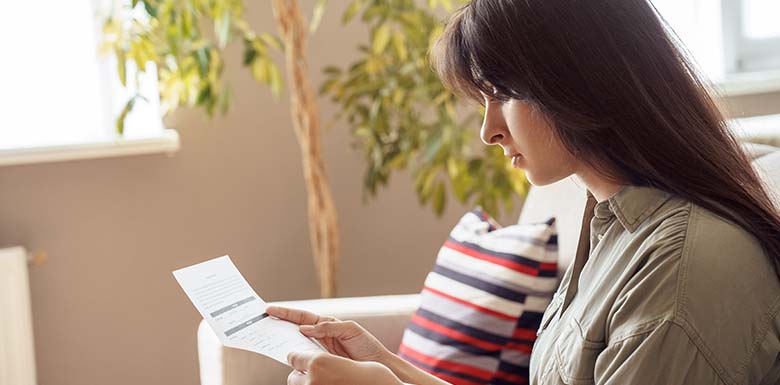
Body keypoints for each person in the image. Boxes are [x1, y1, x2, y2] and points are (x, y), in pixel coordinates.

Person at [268, 0, 780, 384]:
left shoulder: (685, 269)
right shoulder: (610, 226)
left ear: (583, 83)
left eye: (504, 94)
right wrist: (388, 366)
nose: (488, 131)